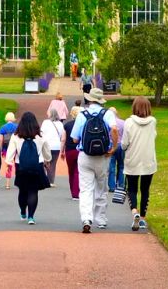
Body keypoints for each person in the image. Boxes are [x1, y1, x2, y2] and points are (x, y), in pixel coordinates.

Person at [70, 88, 119, 233]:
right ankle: (101, 219)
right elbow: (114, 130)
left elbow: (74, 138)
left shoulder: (82, 114)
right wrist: (113, 147)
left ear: (90, 99)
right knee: (101, 187)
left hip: (85, 155)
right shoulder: (108, 113)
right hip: (103, 156)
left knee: (85, 189)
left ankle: (86, 218)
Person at [6, 112, 52, 225]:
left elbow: (10, 152)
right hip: (37, 165)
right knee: (33, 191)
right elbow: (47, 151)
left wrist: (8, 162)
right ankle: (31, 216)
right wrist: (47, 159)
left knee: (23, 189)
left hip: (20, 165)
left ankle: (23, 211)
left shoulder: (16, 135)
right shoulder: (40, 135)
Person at [121, 96, 158, 232]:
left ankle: (134, 211)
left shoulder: (129, 122)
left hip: (133, 159)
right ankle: (142, 218)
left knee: (132, 188)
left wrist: (124, 148)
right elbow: (153, 136)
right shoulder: (153, 121)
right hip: (148, 160)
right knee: (145, 190)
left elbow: (125, 143)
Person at [61, 106, 82, 200]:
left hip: (69, 150)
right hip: (80, 150)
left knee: (71, 171)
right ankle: (77, 192)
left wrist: (62, 151)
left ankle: (73, 192)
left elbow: (63, 139)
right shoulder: (83, 124)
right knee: (78, 171)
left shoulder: (67, 125)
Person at [40, 108, 63, 186]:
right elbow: (61, 135)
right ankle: (51, 181)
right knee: (53, 164)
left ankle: (43, 179)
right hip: (56, 145)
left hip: (47, 145)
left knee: (44, 162)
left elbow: (41, 133)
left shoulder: (46, 122)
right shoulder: (60, 123)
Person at [107, 107, 126, 193]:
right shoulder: (123, 122)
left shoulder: (108, 123)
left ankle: (112, 186)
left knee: (111, 166)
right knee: (121, 165)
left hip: (111, 144)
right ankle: (121, 185)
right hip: (121, 144)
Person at [0, 112, 18, 189]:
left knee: (8, 164)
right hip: (16, 147)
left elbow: (1, 139)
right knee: (17, 164)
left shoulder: (3, 127)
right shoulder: (17, 127)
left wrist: (0, 148)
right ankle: (18, 181)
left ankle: (7, 183)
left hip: (6, 148)